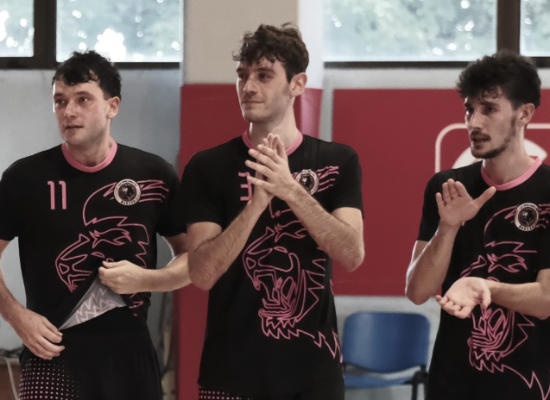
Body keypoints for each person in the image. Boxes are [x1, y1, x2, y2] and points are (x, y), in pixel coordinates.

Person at [180, 23, 364, 400]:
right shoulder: (207, 166)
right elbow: (201, 274)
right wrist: (256, 205)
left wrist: (289, 189)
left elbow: (351, 254)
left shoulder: (338, 160)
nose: (248, 87)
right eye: (242, 75)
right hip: (230, 375)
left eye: (264, 76)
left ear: (297, 84)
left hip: (313, 375)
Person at [0, 50, 190, 400]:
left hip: (130, 359)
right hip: (52, 356)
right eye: (60, 101)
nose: (68, 111)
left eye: (82, 99)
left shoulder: (153, 175)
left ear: (112, 106)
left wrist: (148, 279)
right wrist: (15, 315)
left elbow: (194, 259)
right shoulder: (24, 178)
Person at [405, 50, 550, 399]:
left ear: (524, 114)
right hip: (451, 385)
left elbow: (546, 299)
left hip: (527, 387)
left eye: (489, 109)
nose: (474, 123)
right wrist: (448, 227)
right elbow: (417, 290)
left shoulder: (547, 190)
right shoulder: (446, 187)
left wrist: (483, 287)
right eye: (469, 109)